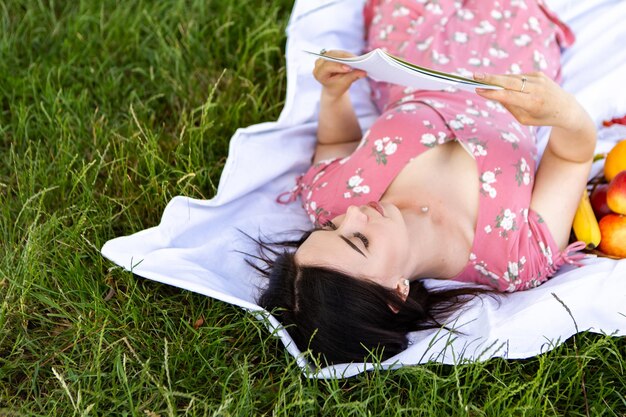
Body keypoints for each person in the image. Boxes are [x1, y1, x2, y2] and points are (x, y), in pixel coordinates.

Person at [251, 0, 596, 365]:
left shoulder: (330, 198)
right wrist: (566, 114)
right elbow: (572, 157)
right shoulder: (515, 258)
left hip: (410, 42)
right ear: (396, 293)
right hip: (511, 54)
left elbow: (335, 144)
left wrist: (333, 94)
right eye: (359, 240)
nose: (351, 213)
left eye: (331, 227)